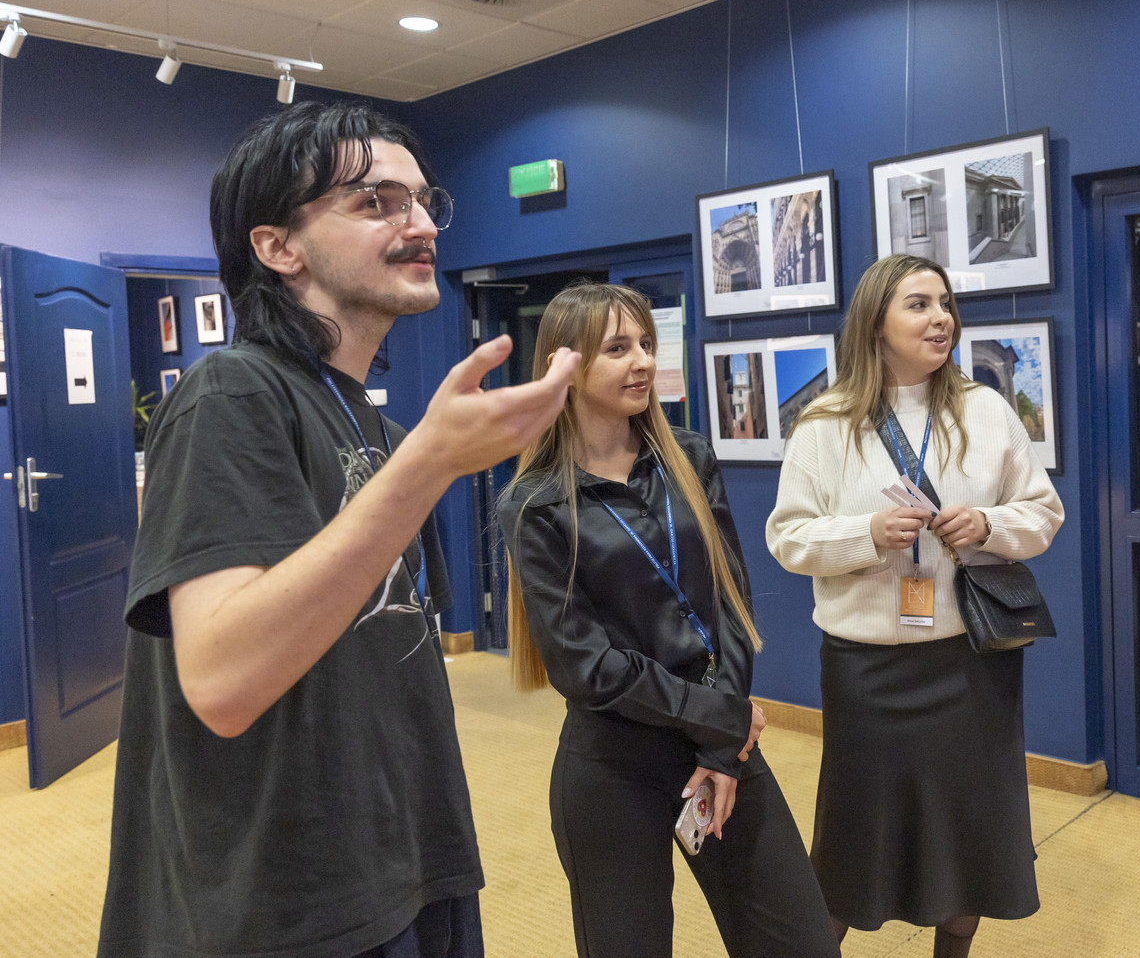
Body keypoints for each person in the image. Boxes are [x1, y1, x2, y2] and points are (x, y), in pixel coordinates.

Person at [98, 102, 581, 958]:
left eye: (424, 200)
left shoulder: (376, 427)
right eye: (375, 202)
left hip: (406, 858)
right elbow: (222, 680)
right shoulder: (230, 395)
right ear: (277, 246)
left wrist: (418, 460)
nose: (420, 224)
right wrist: (428, 467)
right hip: (284, 903)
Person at [497, 283, 838, 958]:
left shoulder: (689, 457)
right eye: (618, 348)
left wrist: (721, 744)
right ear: (567, 367)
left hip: (720, 747)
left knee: (802, 943)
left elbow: (731, 604)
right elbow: (585, 666)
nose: (643, 362)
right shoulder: (535, 504)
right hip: (613, 766)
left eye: (647, 344)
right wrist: (718, 717)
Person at [766, 254, 1064, 958]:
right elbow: (788, 537)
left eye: (945, 303)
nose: (941, 319)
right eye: (919, 304)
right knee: (851, 847)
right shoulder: (824, 424)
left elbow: (1043, 514)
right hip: (866, 673)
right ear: (876, 322)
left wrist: (987, 525)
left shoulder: (986, 410)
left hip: (972, 668)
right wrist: (865, 534)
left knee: (970, 842)